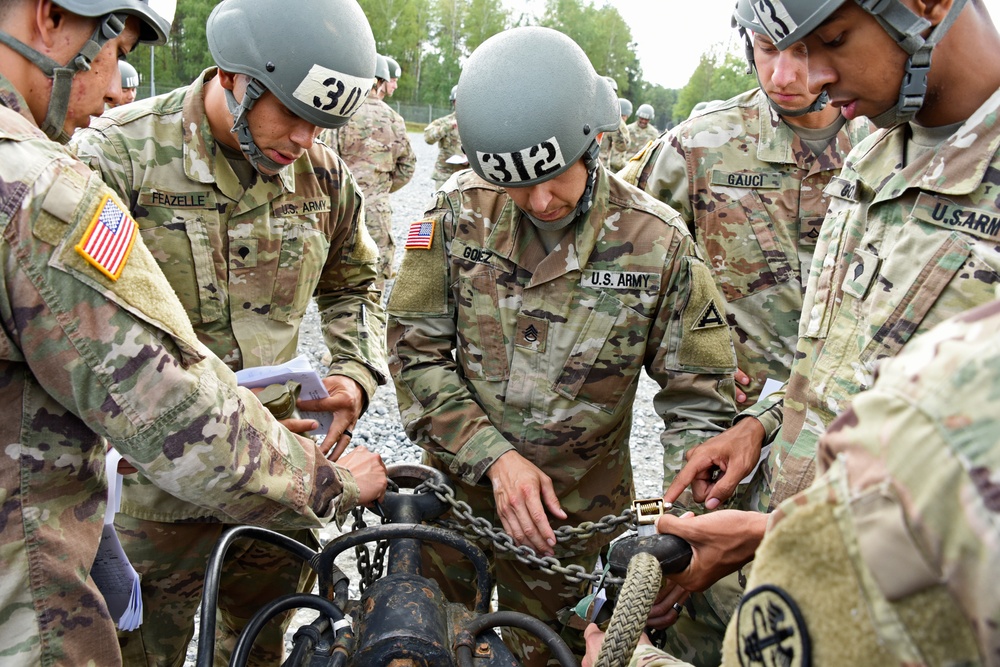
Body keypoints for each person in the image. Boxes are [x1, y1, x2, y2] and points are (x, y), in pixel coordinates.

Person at [0, 0, 387, 665]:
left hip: (274, 495)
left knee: (262, 644)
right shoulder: (112, 155)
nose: (304, 139)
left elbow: (356, 282)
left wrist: (355, 372)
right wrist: (333, 481)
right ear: (237, 77)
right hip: (157, 497)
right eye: (291, 114)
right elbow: (143, 390)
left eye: (321, 123)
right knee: (143, 649)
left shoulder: (324, 177)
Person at [386, 26, 737, 667]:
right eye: (517, 186)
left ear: (593, 141)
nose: (540, 201)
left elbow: (700, 404)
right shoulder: (450, 219)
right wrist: (492, 458)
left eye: (554, 177)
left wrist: (670, 540)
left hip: (575, 538)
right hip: (456, 520)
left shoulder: (656, 244)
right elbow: (415, 359)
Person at [656, 0, 1000, 651]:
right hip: (802, 556)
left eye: (834, 40)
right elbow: (841, 363)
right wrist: (760, 424)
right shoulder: (871, 159)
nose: (808, 79)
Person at [618, 4, 873, 662]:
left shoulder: (883, 150)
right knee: (702, 603)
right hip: (717, 440)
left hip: (854, 446)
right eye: (765, 49)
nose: (784, 73)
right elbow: (627, 273)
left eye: (805, 50)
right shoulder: (698, 147)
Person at [583, 297, 1000, 666]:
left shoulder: (964, 372)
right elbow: (831, 376)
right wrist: (759, 428)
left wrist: (636, 659)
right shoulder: (971, 349)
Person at [323, 53, 415, 283]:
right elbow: (407, 167)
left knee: (337, 279)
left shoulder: (341, 113)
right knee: (374, 277)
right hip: (376, 210)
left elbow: (325, 161)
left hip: (340, 208)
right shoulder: (394, 119)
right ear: (381, 82)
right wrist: (379, 189)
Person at [423, 84, 465, 188]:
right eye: (456, 101)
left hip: (468, 176)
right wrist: (449, 126)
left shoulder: (477, 124)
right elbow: (428, 138)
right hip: (445, 174)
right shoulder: (446, 122)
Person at [599, 75, 631, 171]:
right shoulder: (582, 111)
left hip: (599, 169)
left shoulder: (614, 119)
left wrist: (616, 121)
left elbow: (623, 147)